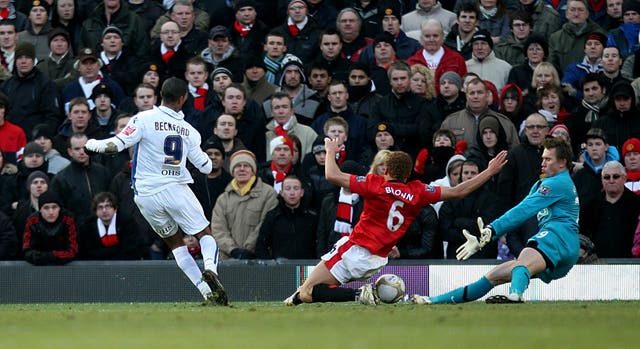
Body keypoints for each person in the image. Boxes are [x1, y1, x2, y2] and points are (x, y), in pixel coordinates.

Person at [284, 137, 507, 306]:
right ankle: (295, 299)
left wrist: (331, 151)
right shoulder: (418, 191)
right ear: (409, 173)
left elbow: (332, 175)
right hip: (377, 259)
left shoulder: (376, 184)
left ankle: (361, 293)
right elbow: (459, 191)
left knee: (309, 291)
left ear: (387, 169)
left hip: (355, 248)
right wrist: (489, 171)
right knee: (305, 292)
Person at [84, 77, 228, 306]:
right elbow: (206, 166)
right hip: (174, 188)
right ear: (183, 99)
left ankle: (205, 292)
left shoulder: (143, 119)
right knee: (204, 233)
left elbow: (115, 145)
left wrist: (91, 145)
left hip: (145, 195)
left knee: (175, 242)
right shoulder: (189, 131)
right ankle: (211, 270)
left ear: (161, 94)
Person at [413, 136, 579, 304]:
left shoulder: (556, 183)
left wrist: (492, 229)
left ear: (562, 162)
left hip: (558, 238)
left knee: (522, 262)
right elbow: (521, 210)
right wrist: (483, 238)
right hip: (565, 247)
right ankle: (432, 300)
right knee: (493, 277)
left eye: (548, 159)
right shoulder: (548, 183)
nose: (542, 162)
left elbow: (524, 210)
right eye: (543, 158)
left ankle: (515, 295)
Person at [210, 150, 278, 260]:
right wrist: (233, 250)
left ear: (253, 170)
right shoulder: (223, 198)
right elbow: (218, 229)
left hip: (257, 259)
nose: (242, 169)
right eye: (237, 166)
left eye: (246, 166)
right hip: (228, 259)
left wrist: (248, 248)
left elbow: (265, 224)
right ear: (233, 171)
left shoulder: (268, 193)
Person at [580, 160, 640, 258]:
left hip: (630, 264)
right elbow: (582, 234)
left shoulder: (637, 203)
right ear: (602, 180)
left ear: (624, 178)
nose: (611, 180)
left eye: (616, 176)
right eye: (607, 177)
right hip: (597, 264)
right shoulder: (590, 205)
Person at [255, 175, 318, 260]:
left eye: (296, 188)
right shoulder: (272, 216)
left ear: (302, 192)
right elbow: (261, 246)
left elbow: (319, 244)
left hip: (305, 268)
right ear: (281, 193)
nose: (292, 193)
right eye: (288, 189)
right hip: (280, 269)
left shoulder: (312, 217)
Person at [78, 191, 146, 260]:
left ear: (115, 209)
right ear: (95, 211)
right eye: (100, 207)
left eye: (107, 206)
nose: (104, 211)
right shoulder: (88, 226)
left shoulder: (127, 222)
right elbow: (88, 251)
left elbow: (131, 248)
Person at [22, 190, 78, 265]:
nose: (51, 212)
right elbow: (27, 250)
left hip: (65, 267)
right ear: (40, 210)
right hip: (38, 267)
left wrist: (50, 256)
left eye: (54, 207)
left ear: (59, 208)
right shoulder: (32, 221)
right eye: (46, 208)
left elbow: (73, 251)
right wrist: (46, 257)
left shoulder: (68, 220)